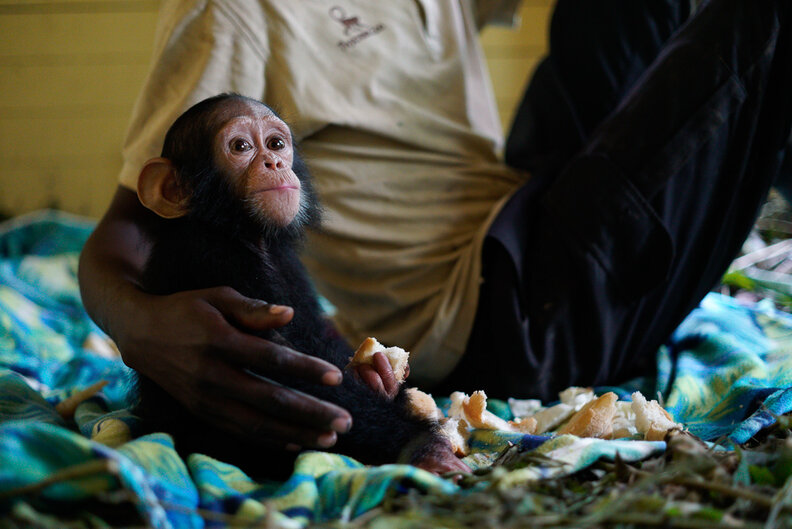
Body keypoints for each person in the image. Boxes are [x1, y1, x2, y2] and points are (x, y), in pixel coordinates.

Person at [79, 0, 792, 454]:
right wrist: (143, 329)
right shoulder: (232, 13)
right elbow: (132, 228)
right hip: (505, 311)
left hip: (527, 204)